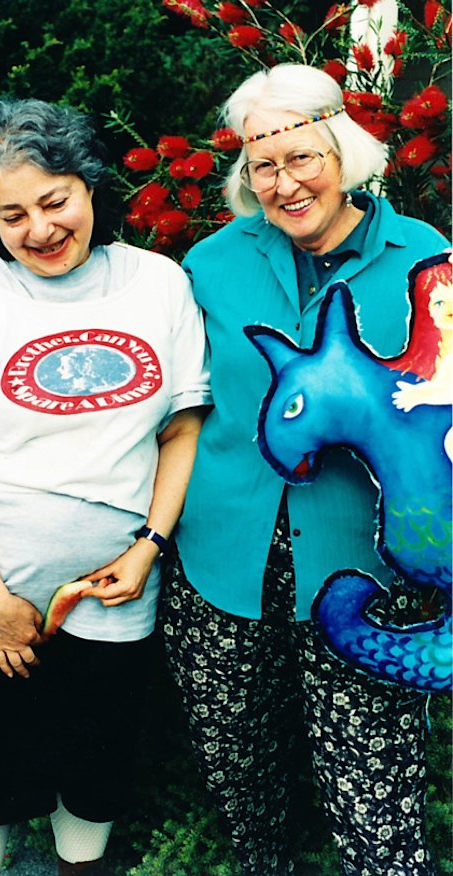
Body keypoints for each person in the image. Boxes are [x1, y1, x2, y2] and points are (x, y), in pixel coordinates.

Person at [0, 98, 211, 876]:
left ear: (90, 186)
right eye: (12, 215)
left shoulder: (157, 283)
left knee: (93, 772)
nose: (38, 228)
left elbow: (181, 432)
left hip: (113, 591)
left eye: (53, 200)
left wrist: (148, 547)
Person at [162, 63, 448, 876]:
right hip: (224, 564)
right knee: (244, 782)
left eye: (302, 158)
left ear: (342, 152)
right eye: (263, 165)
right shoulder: (211, 265)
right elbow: (178, 405)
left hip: (370, 568)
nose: (285, 184)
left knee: (376, 807)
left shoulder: (425, 258)